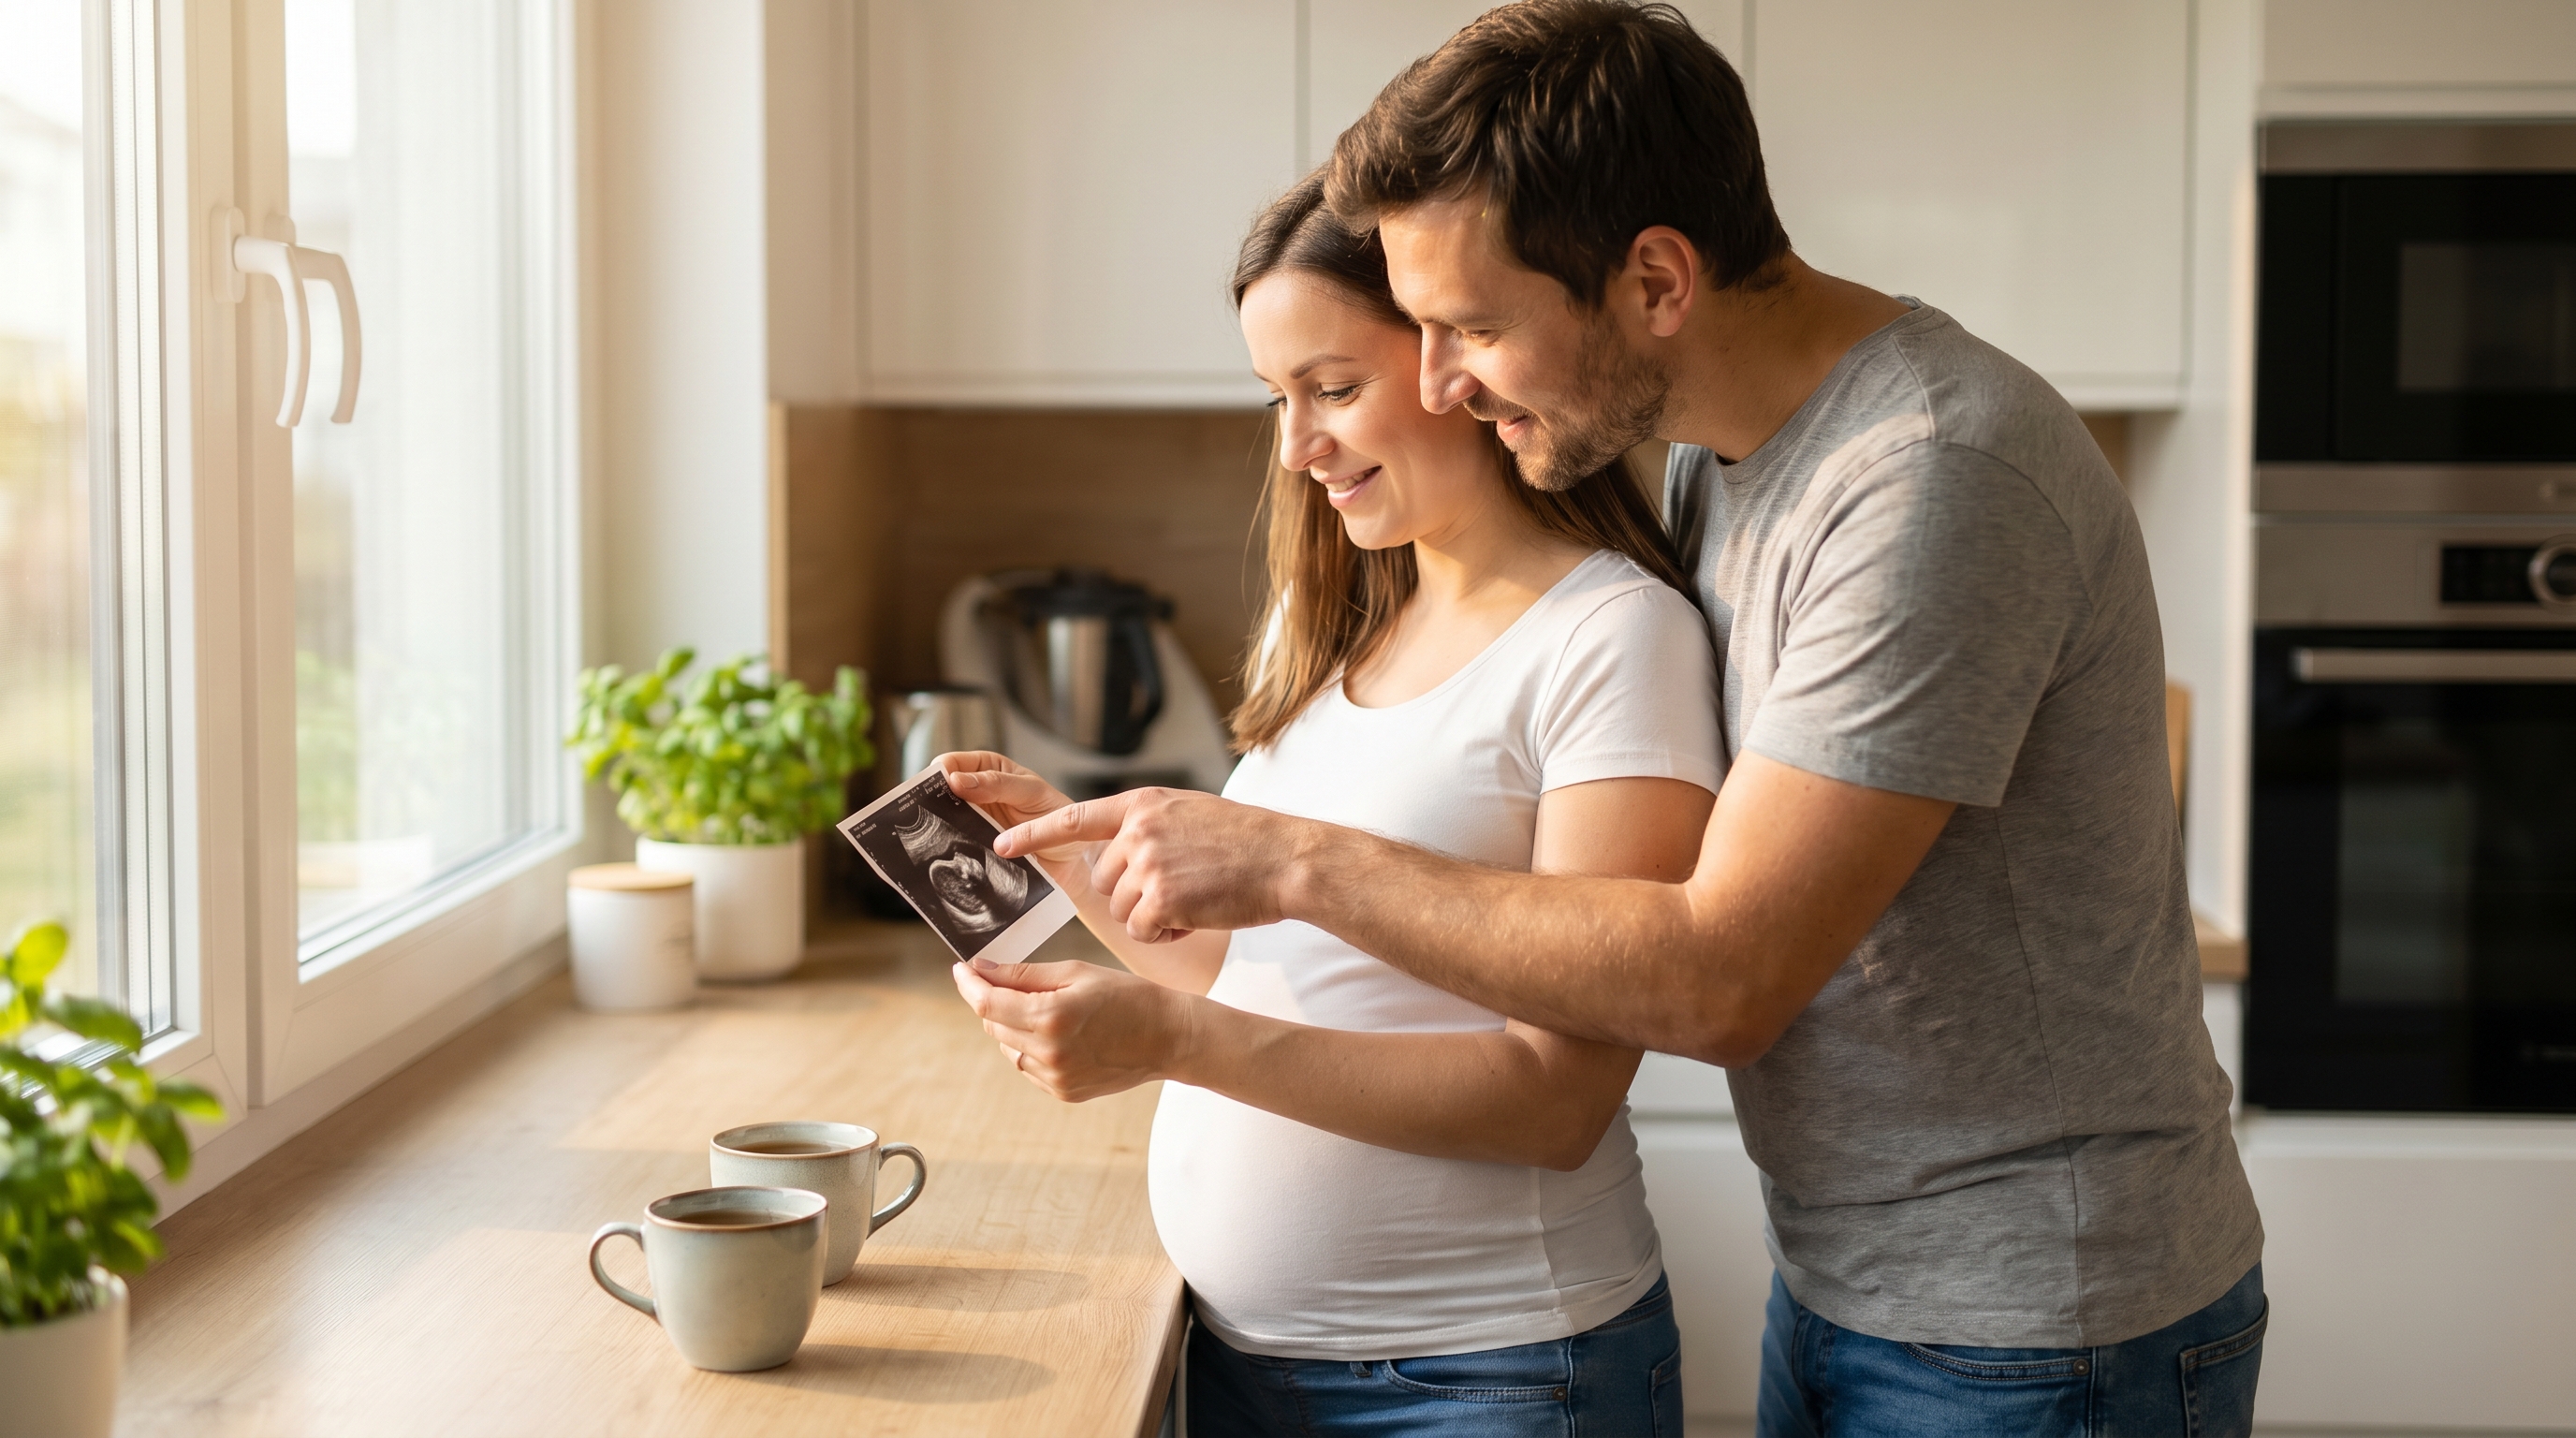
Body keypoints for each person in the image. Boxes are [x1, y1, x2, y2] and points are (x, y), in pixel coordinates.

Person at [978, 4, 2269, 1436]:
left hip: (2043, 1320)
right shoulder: (1728, 461)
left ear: (1657, 279)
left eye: (1472, 327)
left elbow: (1719, 982)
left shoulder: (1933, 480)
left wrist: (1295, 861)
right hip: (1865, 1278)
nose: (1445, 379)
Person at [944, 169, 1724, 1435]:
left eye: (1333, 388)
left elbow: (1555, 1098)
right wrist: (1073, 863)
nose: (1299, 446)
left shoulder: (1612, 639)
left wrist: (1163, 1046)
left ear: (1455, 359)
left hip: (1490, 1377)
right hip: (1259, 1365)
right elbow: (1259, 977)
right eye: (1279, 399)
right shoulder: (1352, 639)